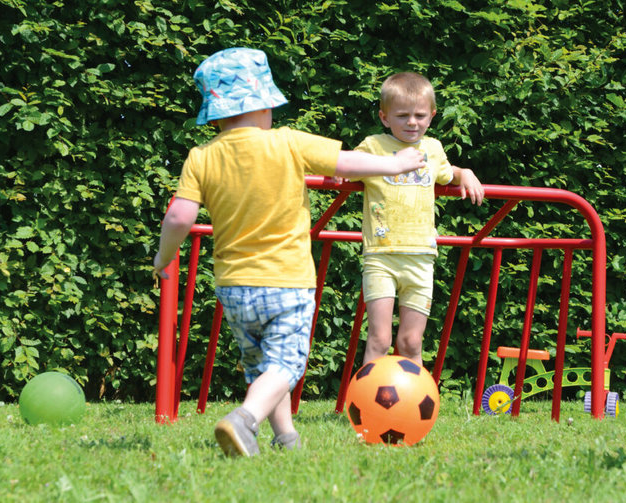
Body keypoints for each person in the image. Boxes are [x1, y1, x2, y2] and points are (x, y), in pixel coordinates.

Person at [152, 48, 426, 457]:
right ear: (265, 105)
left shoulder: (201, 157)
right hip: (287, 280)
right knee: (285, 366)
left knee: (265, 367)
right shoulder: (289, 142)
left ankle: (287, 439)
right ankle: (245, 420)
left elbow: (177, 218)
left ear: (216, 111)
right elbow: (348, 163)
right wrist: (396, 164)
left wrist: (163, 259)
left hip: (233, 285)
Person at [351, 72, 485, 367]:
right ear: (384, 117)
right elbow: (346, 167)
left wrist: (467, 173)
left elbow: (449, 174)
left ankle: (412, 412)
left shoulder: (433, 149)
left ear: (432, 115)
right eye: (402, 116)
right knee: (379, 339)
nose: (412, 122)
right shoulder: (373, 145)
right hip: (381, 256)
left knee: (411, 342)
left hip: (421, 256)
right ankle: (363, 409)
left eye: (419, 115)